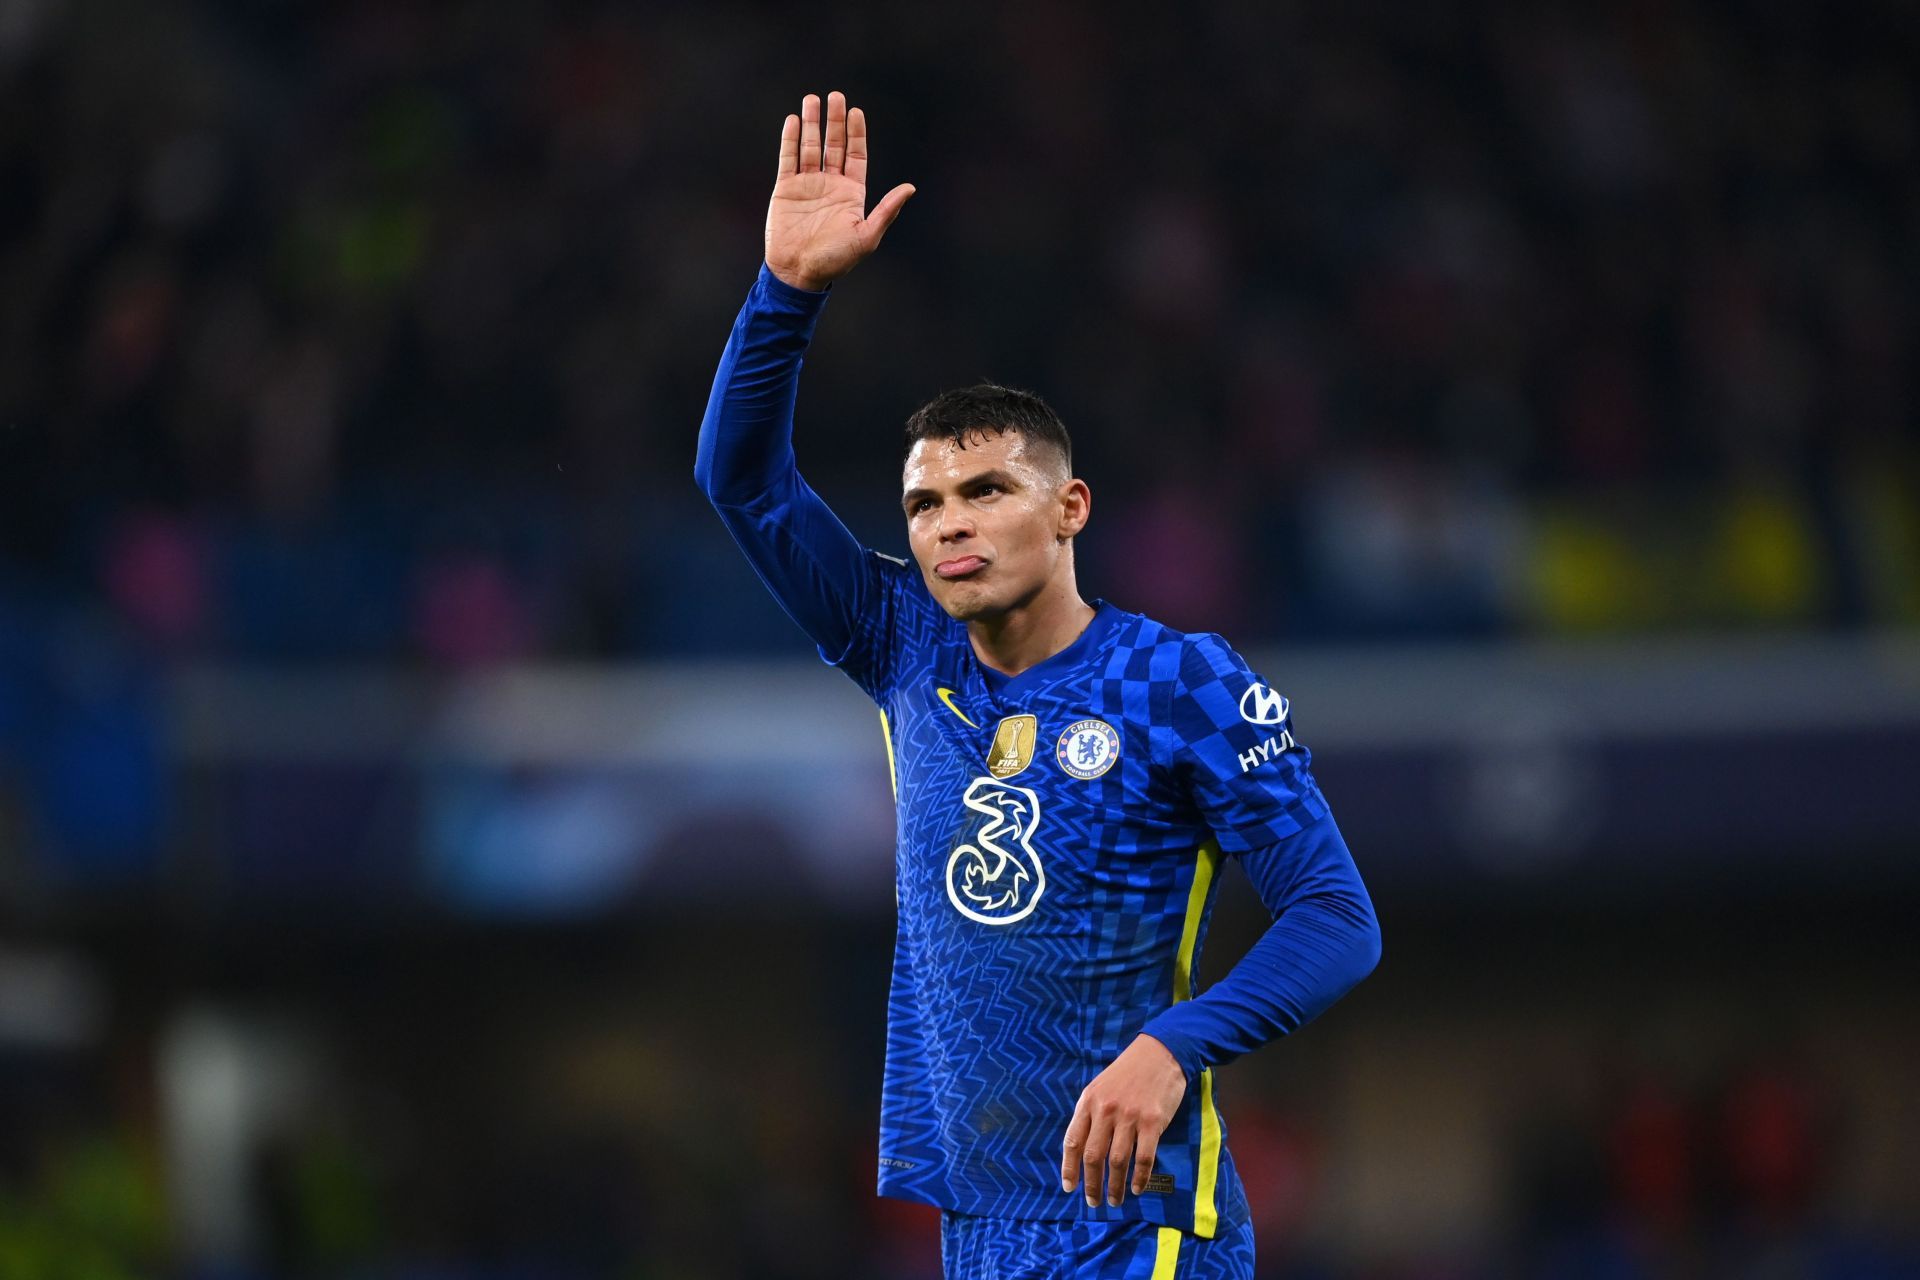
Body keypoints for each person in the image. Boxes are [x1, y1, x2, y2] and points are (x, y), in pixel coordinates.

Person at [695, 90, 1381, 1280]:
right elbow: (744, 484)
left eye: (987, 492)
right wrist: (785, 296)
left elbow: (1336, 917)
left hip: (1142, 1223)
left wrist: (1176, 1043)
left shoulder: (1179, 680)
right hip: (979, 1227)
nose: (950, 526)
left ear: (1069, 509)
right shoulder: (900, 643)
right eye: (925, 504)